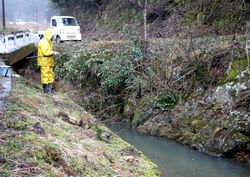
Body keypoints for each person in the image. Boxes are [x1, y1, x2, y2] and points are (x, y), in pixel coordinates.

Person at [37, 28, 58, 95]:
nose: (53, 37)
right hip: (44, 62)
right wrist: (53, 53)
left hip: (49, 62)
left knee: (50, 76)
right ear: (49, 35)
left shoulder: (48, 41)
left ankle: (50, 90)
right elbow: (45, 52)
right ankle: (46, 91)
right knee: (45, 76)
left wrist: (53, 52)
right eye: (52, 36)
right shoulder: (43, 42)